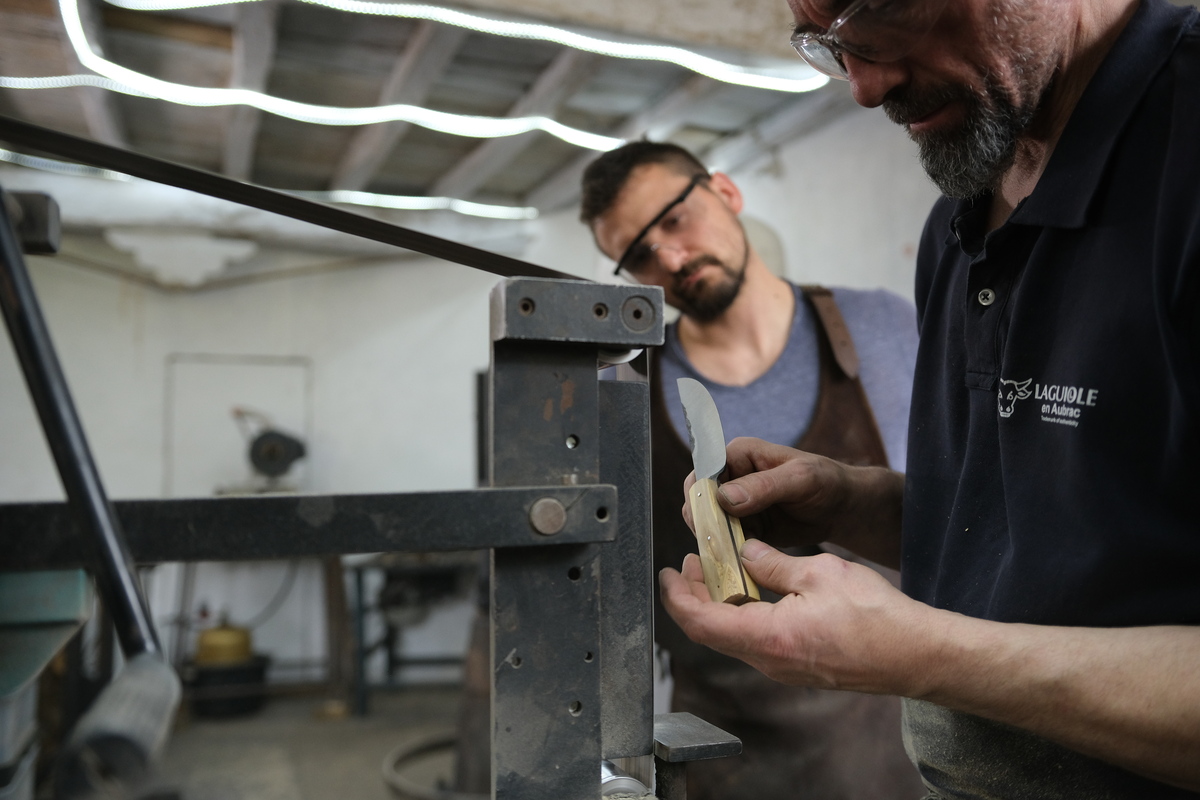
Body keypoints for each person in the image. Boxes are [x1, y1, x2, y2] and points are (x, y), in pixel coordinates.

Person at [659, 0, 1200, 797]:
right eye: (832, 44)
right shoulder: (965, 206)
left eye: (887, 10)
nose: (866, 87)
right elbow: (1078, 535)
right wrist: (855, 504)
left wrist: (920, 654)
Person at [580, 140, 925, 800]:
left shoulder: (887, 329)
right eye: (639, 256)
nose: (671, 260)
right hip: (719, 750)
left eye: (675, 221)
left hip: (891, 736)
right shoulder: (618, 391)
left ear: (726, 193)